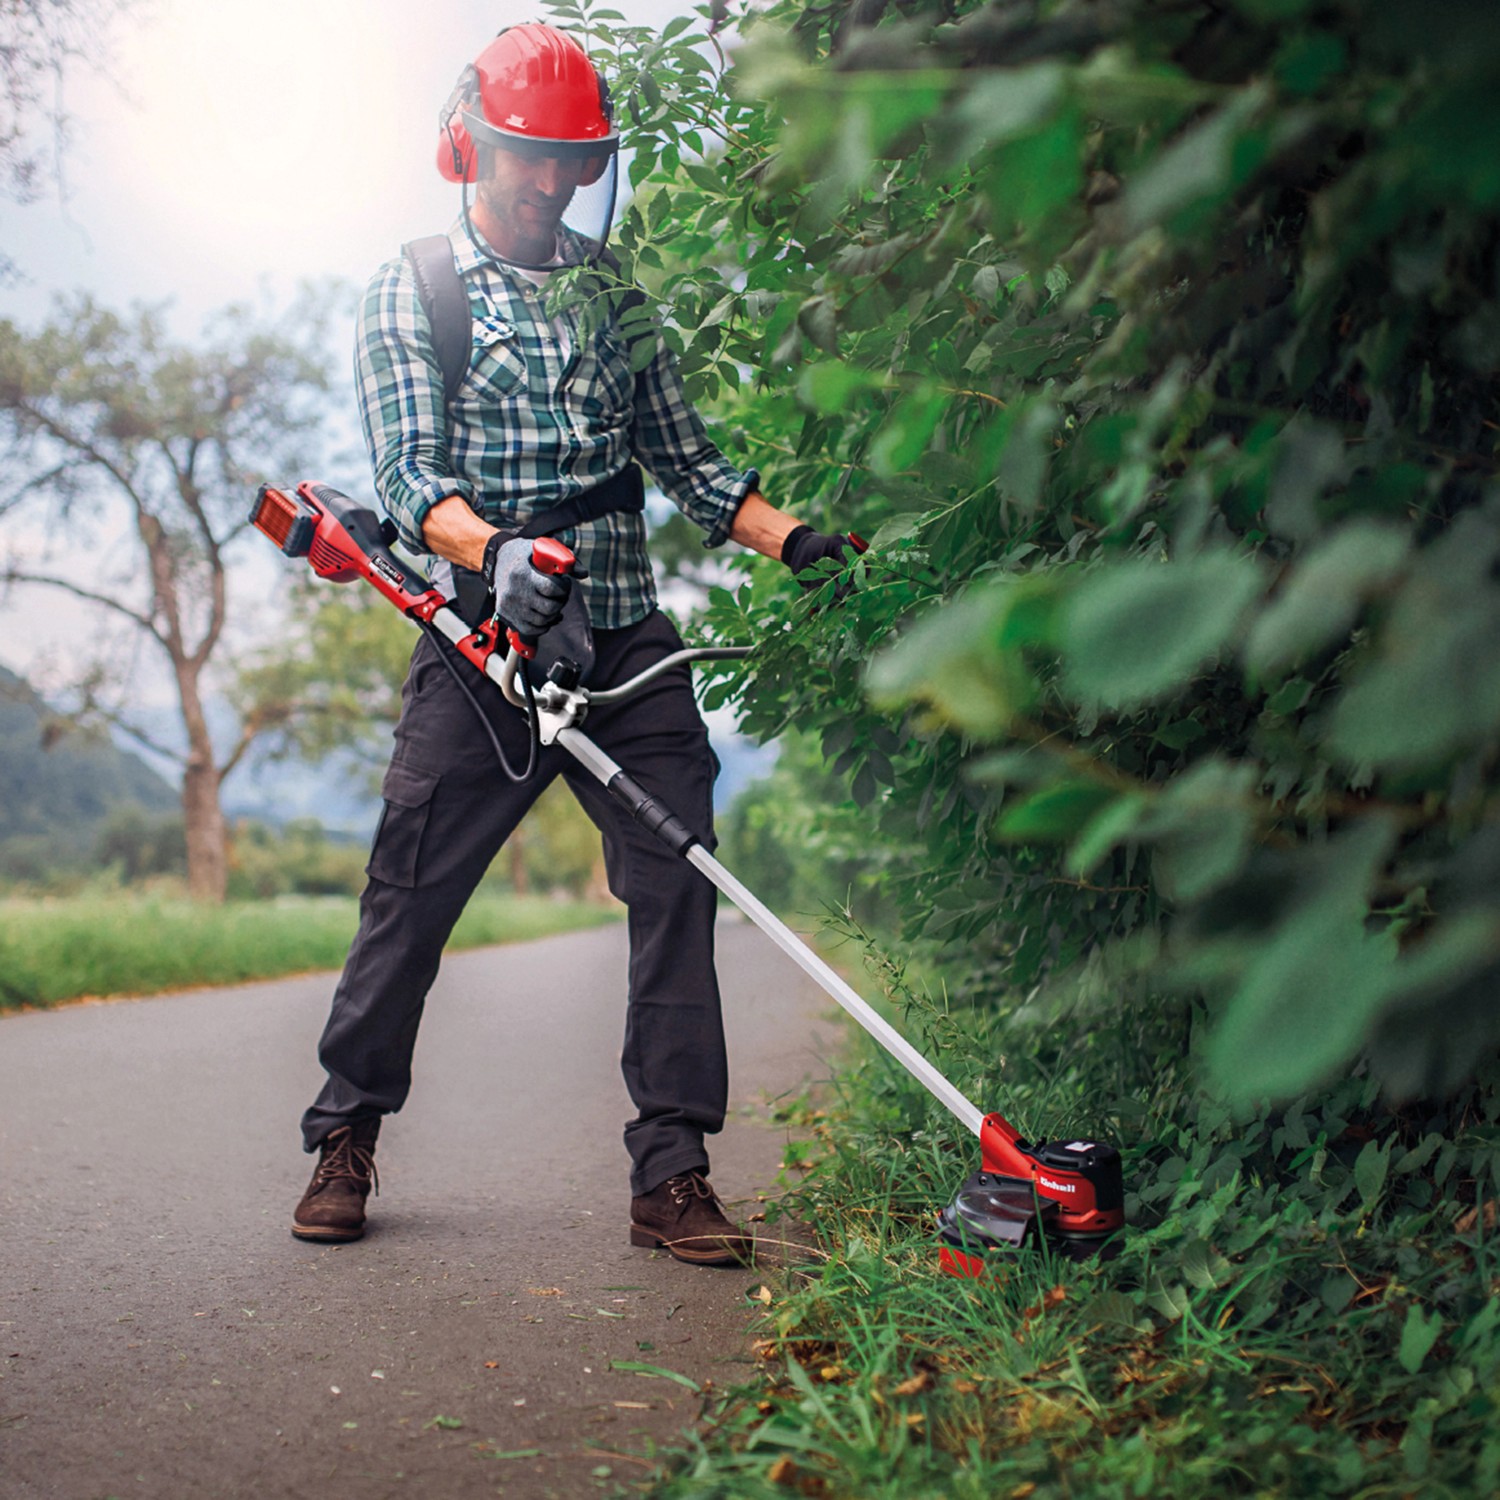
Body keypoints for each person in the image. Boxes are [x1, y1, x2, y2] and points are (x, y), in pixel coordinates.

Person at [290, 22, 857, 1265]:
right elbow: (406, 475)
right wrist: (493, 555)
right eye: (524, 159)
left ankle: (673, 1175)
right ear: (468, 146)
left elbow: (693, 466)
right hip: (481, 644)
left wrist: (802, 542)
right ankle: (346, 1132)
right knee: (411, 897)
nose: (549, 185)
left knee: (678, 886)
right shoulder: (414, 287)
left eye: (572, 163)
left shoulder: (613, 293)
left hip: (625, 643)